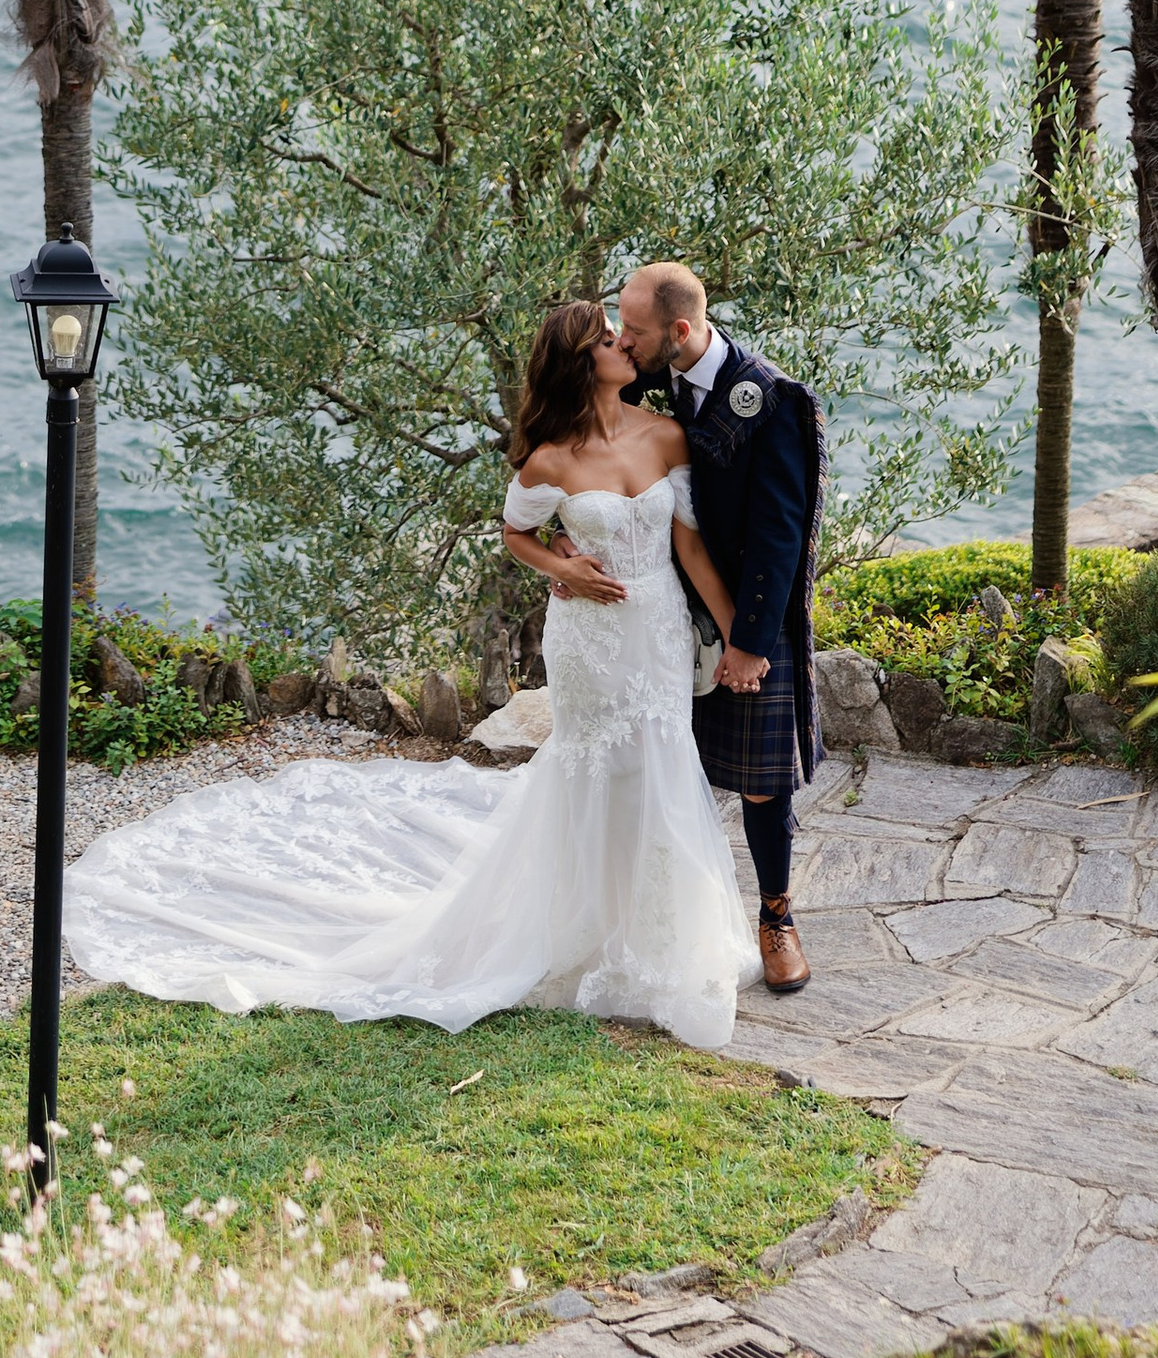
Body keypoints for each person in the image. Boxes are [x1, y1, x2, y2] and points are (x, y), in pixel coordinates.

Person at [58, 298, 759, 1046]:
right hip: (589, 639)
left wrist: (740, 637)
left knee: (658, 761)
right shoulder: (550, 457)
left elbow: (690, 549)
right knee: (593, 767)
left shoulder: (667, 436)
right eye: (611, 340)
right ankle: (579, 934)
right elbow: (515, 531)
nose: (628, 345)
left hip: (653, 630)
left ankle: (657, 938)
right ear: (583, 362)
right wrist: (563, 567)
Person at [614, 260, 823, 994]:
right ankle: (673, 920)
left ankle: (775, 916)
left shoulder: (765, 399)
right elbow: (592, 450)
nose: (620, 341)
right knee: (669, 772)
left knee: (765, 786)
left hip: (749, 618)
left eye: (632, 331)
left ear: (679, 330)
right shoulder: (642, 374)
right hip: (666, 613)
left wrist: (748, 643)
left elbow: (780, 534)